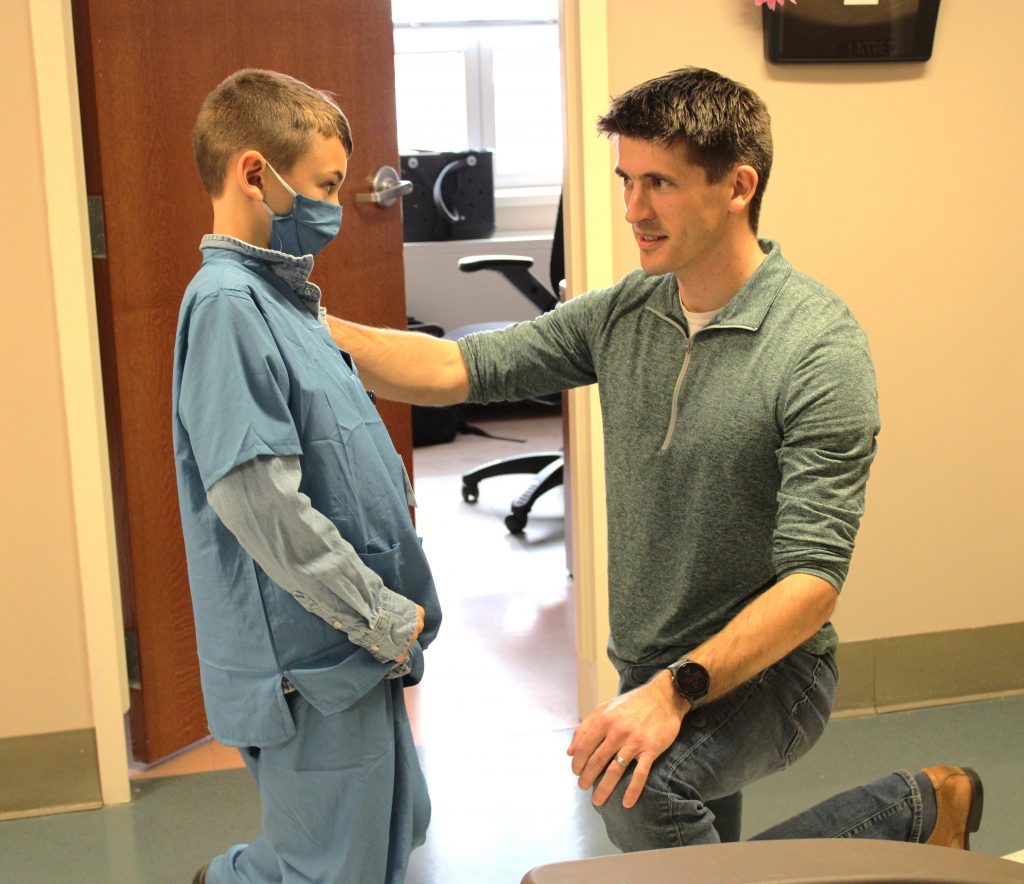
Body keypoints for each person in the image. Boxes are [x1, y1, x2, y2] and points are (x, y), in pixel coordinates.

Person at [326, 67, 983, 852]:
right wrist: (305, 325)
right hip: (653, 664)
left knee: (640, 792)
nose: (633, 211)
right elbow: (455, 370)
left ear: (738, 186)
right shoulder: (626, 312)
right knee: (693, 849)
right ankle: (916, 810)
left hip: (773, 674)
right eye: (626, 181)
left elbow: (813, 586)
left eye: (660, 185)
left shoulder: (817, 349)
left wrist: (674, 693)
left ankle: (913, 807)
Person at [172, 69, 441, 884]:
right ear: (256, 174)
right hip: (311, 655)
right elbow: (262, 504)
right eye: (324, 186)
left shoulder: (287, 303)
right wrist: (381, 617)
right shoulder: (226, 307)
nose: (333, 207)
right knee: (330, 866)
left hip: (349, 644)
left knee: (397, 824)